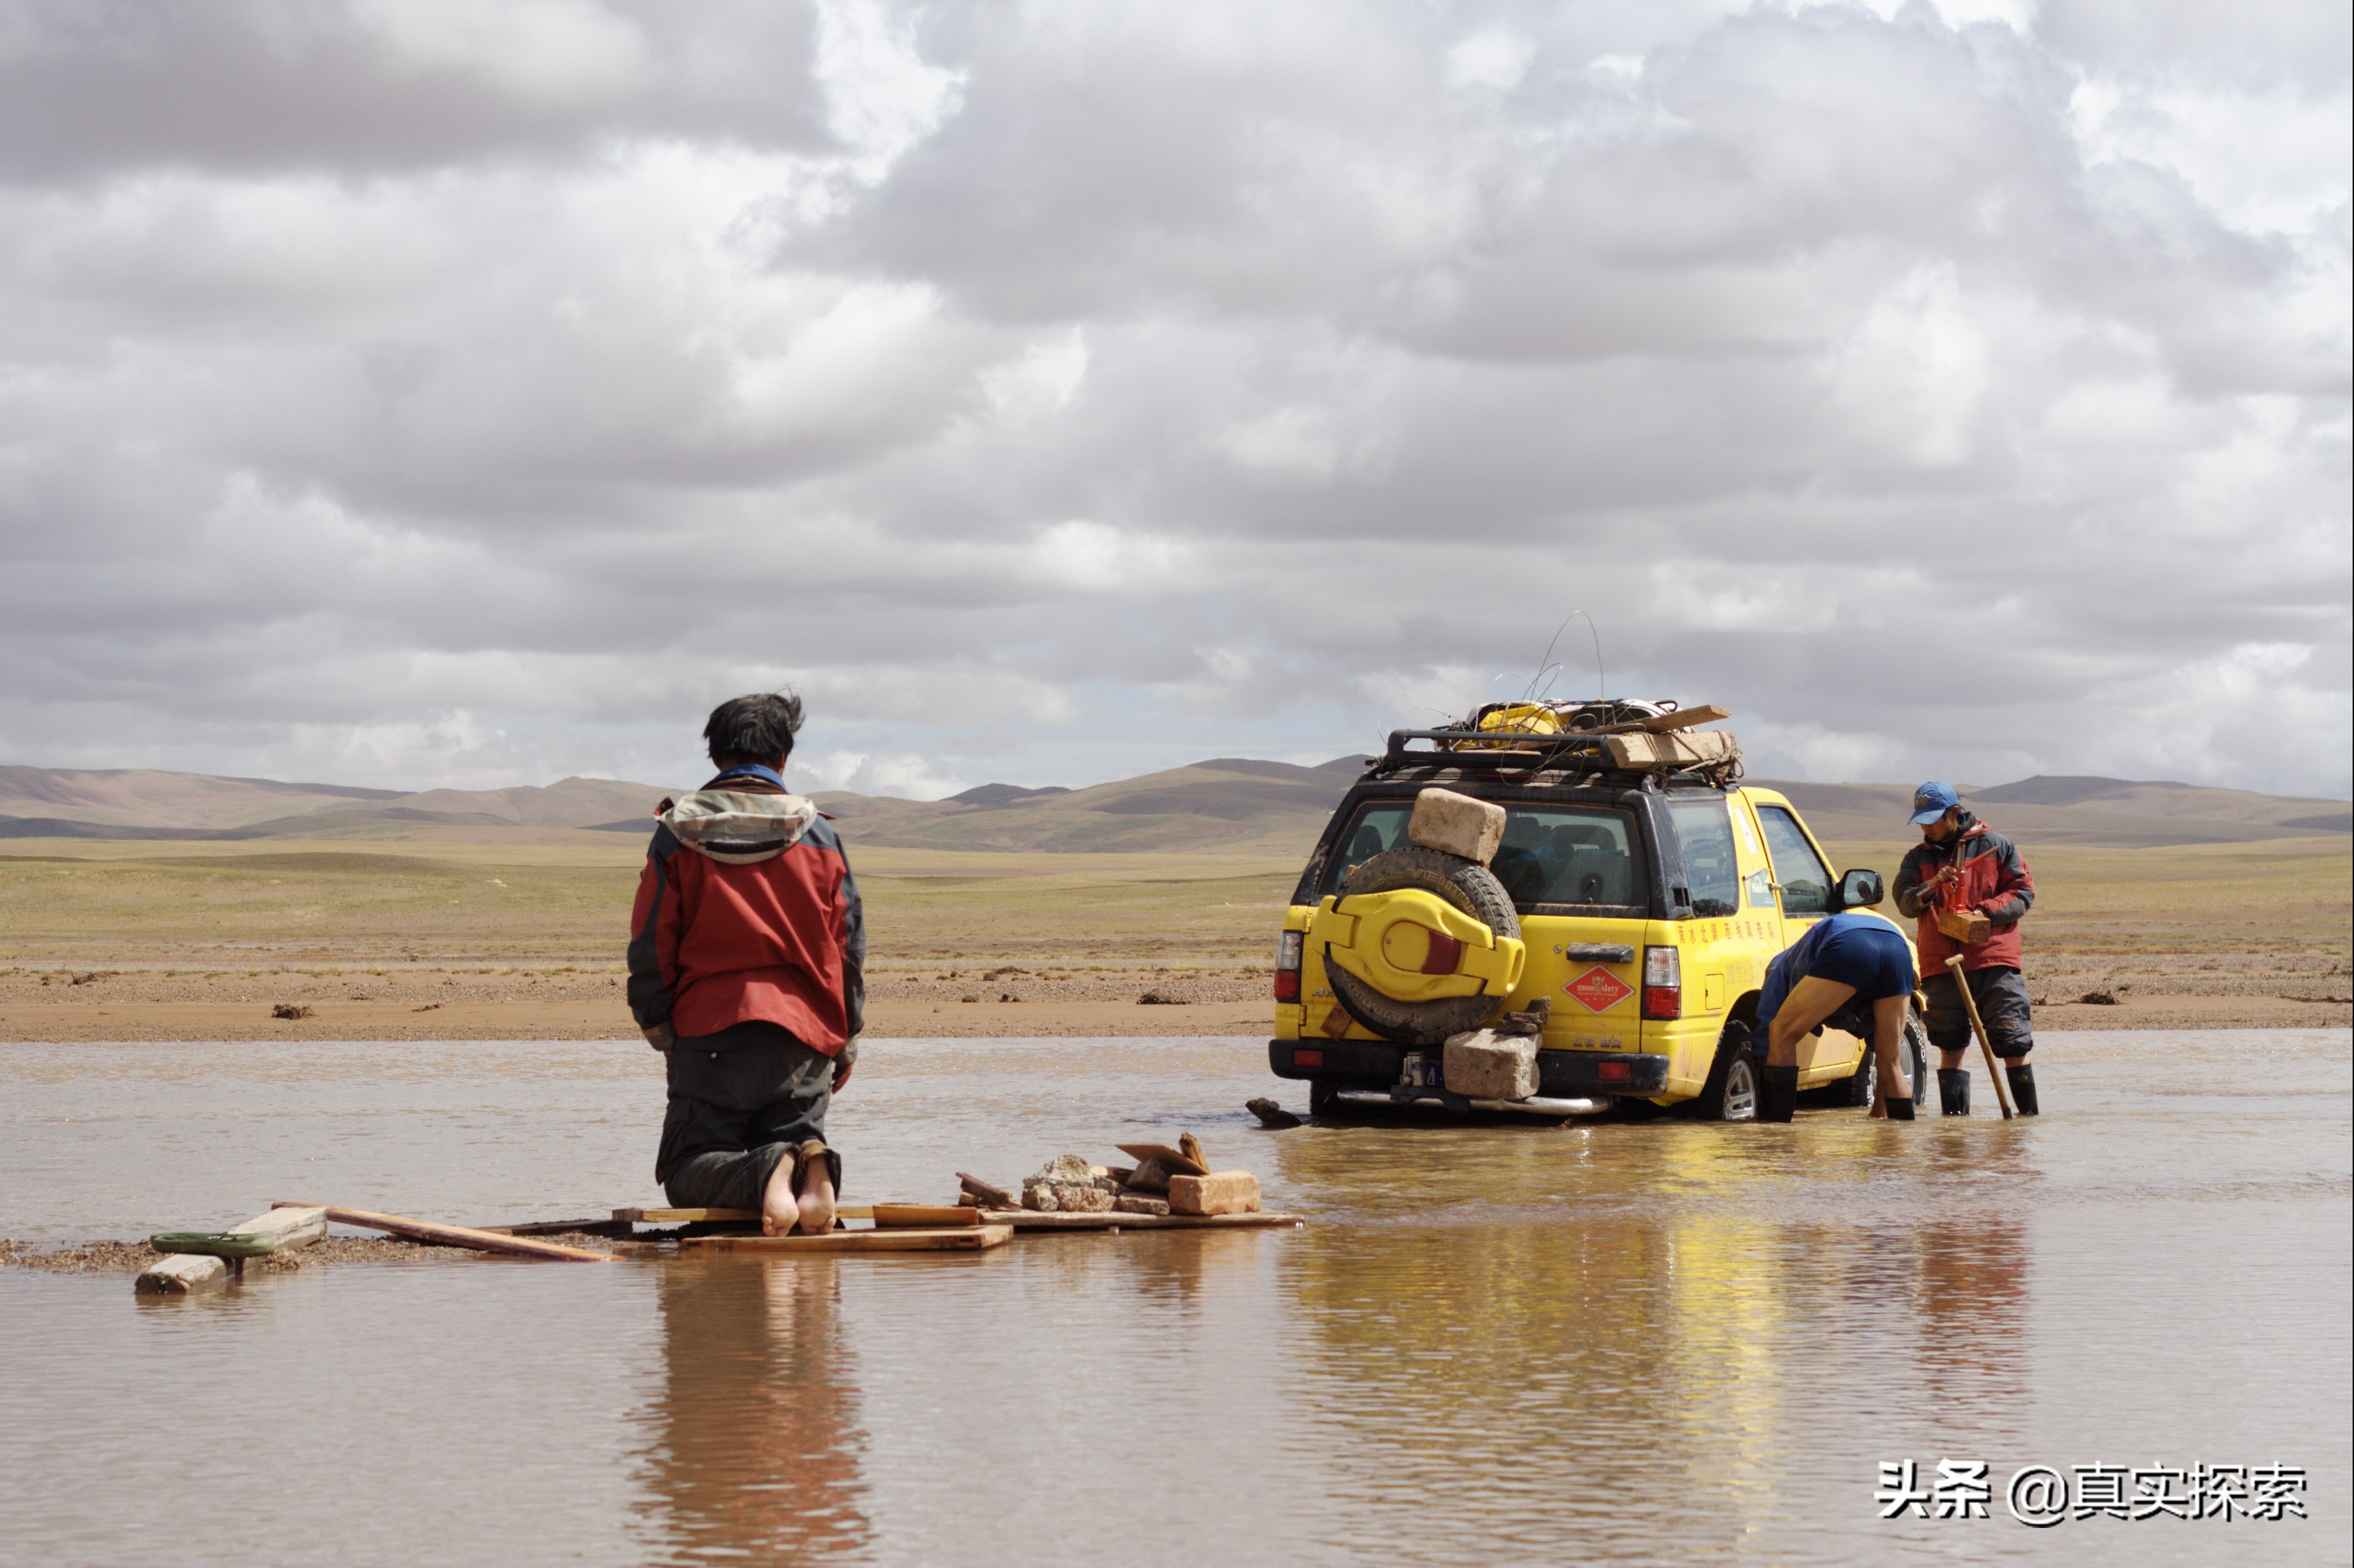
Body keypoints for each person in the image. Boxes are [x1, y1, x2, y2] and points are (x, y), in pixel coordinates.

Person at [628, 693, 865, 1235]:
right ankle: (809, 1165)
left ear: (715, 757)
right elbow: (848, 949)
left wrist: (659, 1025)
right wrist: (845, 1038)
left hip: (709, 1034)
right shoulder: (823, 837)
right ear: (783, 758)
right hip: (804, 1040)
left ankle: (769, 1174)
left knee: (688, 1167)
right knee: (794, 1140)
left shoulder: (675, 835)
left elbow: (651, 942)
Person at [1894, 781, 2039, 1116]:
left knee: (2012, 1041)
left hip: (1994, 960)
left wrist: (1984, 912)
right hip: (1942, 964)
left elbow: (2022, 893)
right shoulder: (1917, 858)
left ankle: (2026, 1124)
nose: (1926, 827)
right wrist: (1932, 885)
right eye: (1922, 821)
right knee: (1950, 1044)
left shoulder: (1997, 845)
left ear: (1954, 814)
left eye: (1933, 819)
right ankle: (1954, 1131)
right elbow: (1905, 901)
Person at [1754, 910, 1920, 1121]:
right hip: (1898, 949)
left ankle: (1776, 1135)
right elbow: (1876, 1039)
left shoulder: (1780, 965)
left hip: (1851, 945)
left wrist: (1762, 1052)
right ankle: (1896, 1143)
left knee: (1781, 1032)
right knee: (1891, 1060)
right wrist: (1878, 1114)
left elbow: (1772, 1020)